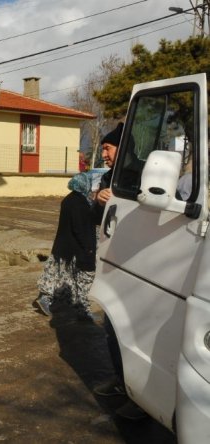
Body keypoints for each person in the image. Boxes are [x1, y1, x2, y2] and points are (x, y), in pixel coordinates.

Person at [89, 123, 148, 420]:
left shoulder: (142, 171)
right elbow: (99, 216)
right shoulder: (110, 175)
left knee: (135, 332)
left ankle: (141, 399)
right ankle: (121, 381)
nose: (105, 155)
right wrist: (99, 200)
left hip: (139, 265)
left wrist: (119, 201)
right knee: (113, 327)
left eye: (108, 149)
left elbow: (149, 213)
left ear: (121, 147)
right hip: (113, 260)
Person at [34, 173, 98, 322]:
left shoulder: (68, 199)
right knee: (80, 280)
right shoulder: (80, 202)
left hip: (62, 247)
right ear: (84, 185)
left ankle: (53, 299)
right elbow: (79, 228)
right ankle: (81, 310)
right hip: (74, 249)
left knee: (59, 276)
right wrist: (87, 247)